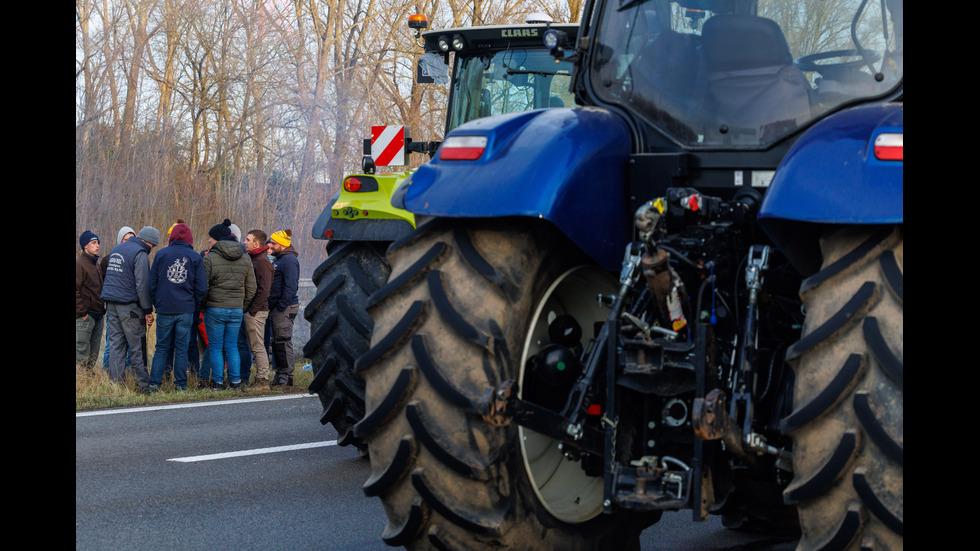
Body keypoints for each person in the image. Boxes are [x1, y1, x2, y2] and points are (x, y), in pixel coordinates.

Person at [147, 222, 207, 391]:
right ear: (190, 239)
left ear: (172, 237)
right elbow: (201, 287)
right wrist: (193, 304)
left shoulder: (161, 255)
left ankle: (154, 384)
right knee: (182, 348)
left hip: (165, 309)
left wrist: (156, 303)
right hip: (186, 310)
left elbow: (152, 283)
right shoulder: (195, 257)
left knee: (162, 347)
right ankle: (180, 385)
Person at [101, 226, 159, 392]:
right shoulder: (139, 253)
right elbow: (142, 285)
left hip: (111, 304)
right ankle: (143, 385)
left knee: (116, 347)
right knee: (136, 346)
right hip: (130, 307)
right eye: (152, 246)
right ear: (148, 242)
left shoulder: (116, 249)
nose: (151, 249)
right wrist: (148, 310)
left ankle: (116, 386)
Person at [200, 219, 256, 390]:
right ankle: (236, 381)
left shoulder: (209, 259)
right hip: (236, 309)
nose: (209, 240)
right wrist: (242, 305)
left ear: (217, 239)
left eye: (211, 237)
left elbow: (204, 287)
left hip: (215, 308)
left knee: (216, 346)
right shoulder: (245, 259)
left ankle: (217, 382)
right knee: (232, 346)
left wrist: (205, 305)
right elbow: (251, 287)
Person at [267, 228, 300, 388]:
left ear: (282, 244)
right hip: (277, 308)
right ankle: (280, 374)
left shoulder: (289, 260)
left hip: (284, 308)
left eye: (273, 243)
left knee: (283, 341)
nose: (270, 246)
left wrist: (281, 306)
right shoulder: (280, 259)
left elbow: (291, 286)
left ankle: (287, 377)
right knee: (277, 341)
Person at [101, 227, 136, 369]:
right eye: (126, 239)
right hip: (112, 307)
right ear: (120, 240)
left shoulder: (136, 256)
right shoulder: (107, 259)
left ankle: (125, 373)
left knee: (129, 342)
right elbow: (103, 284)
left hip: (129, 307)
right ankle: (107, 371)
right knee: (112, 342)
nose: (129, 242)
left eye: (132, 239)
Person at [243, 229, 274, 388]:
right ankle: (260, 378)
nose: (245, 242)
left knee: (257, 345)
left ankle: (262, 379)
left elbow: (264, 290)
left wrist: (252, 311)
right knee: (254, 345)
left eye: (248, 240)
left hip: (258, 311)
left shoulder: (262, 262)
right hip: (254, 309)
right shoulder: (254, 259)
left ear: (256, 243)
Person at [76, 230, 105, 369]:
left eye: (98, 242)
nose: (97, 245)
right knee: (81, 354)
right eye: (93, 243)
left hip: (98, 315)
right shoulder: (79, 264)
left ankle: (89, 383)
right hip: (86, 317)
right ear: (85, 246)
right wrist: (82, 313)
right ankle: (81, 384)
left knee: (93, 355)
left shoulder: (96, 264)